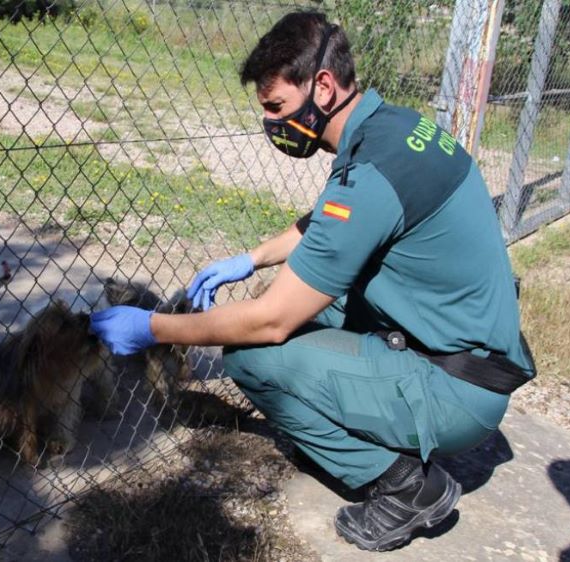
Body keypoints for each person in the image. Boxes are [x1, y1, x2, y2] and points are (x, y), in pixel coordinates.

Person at [90, 9, 535, 552]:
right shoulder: (390, 128)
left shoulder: (370, 174)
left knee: (252, 353)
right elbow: (326, 222)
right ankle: (348, 424)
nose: (273, 124)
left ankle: (404, 487)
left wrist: (154, 327)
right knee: (296, 304)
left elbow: (272, 322)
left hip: (457, 391)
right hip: (463, 348)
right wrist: (248, 260)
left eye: (276, 107)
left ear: (322, 87)